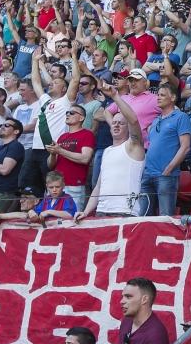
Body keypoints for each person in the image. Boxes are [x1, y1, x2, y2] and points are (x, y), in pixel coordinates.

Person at [76, 83, 145, 219]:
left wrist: (115, 96)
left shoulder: (133, 146)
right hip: (102, 211)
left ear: (127, 128)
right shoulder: (106, 151)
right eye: (114, 122)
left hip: (125, 211)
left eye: (121, 123)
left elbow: (134, 120)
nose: (116, 125)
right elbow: (99, 186)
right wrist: (86, 211)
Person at [23, 44, 81, 195]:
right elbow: (35, 82)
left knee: (51, 188)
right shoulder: (45, 100)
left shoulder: (66, 101)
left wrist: (74, 56)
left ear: (63, 89)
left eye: (56, 82)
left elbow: (75, 79)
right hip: (34, 149)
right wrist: (35, 61)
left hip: (51, 151)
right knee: (28, 187)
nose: (51, 83)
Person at [141, 83, 191, 216]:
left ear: (173, 97)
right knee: (143, 218)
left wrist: (169, 169)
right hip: (148, 174)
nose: (158, 98)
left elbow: (185, 147)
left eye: (162, 95)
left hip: (166, 175)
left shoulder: (181, 117)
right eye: (158, 95)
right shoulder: (156, 120)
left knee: (165, 217)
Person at [47, 103, 95, 211]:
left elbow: (85, 158)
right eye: (67, 113)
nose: (68, 114)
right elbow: (51, 165)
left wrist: (60, 150)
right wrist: (53, 153)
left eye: (72, 113)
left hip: (74, 186)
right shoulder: (62, 137)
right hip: (56, 186)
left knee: (71, 220)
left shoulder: (87, 134)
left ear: (81, 117)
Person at [116, 277, 169, 344]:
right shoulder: (126, 321)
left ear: (144, 299)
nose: (122, 301)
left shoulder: (155, 334)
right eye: (123, 296)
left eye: (128, 297)